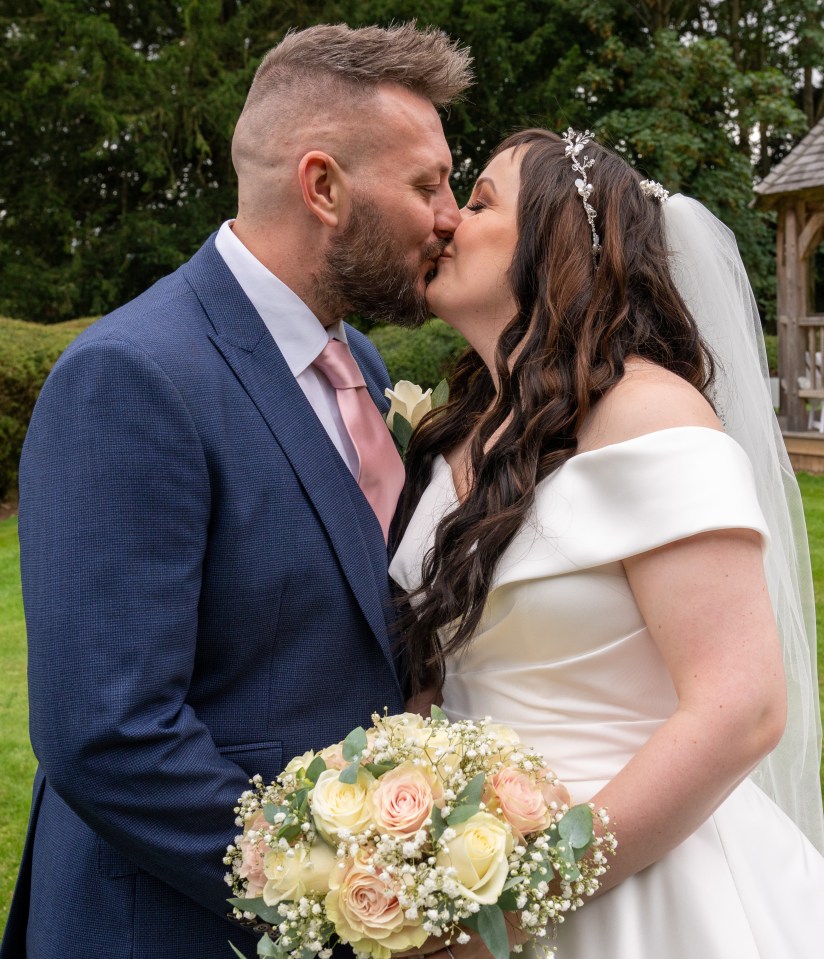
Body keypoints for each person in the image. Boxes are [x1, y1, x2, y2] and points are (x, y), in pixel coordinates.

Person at [1, 23, 472, 959]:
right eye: (428, 185)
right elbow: (110, 736)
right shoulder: (132, 376)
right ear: (324, 187)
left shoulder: (362, 363)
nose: (451, 214)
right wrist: (354, 897)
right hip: (175, 927)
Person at [389, 128, 824, 957]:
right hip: (468, 880)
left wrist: (535, 891)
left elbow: (742, 708)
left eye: (479, 200)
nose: (445, 219)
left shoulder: (649, 413)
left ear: (556, 245)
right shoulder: (458, 435)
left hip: (641, 883)